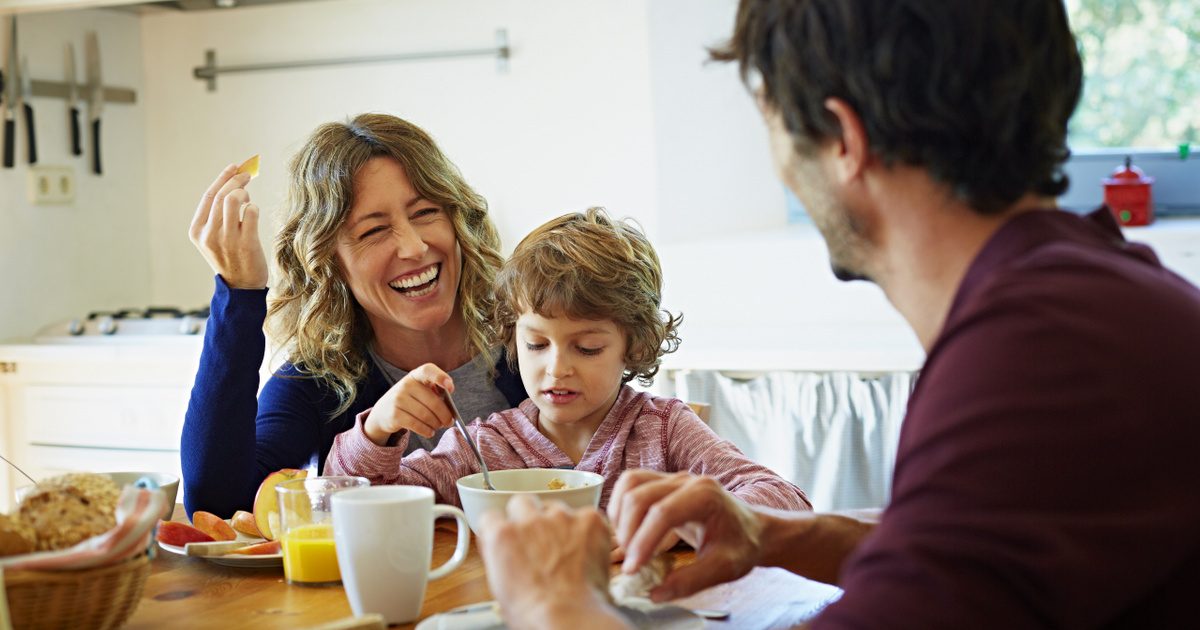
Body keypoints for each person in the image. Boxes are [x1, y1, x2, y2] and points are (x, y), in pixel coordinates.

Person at [476, 1, 1200, 628]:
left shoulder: (1035, 364)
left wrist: (556, 609)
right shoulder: (1091, 300)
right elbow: (960, 553)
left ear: (841, 138)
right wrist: (777, 532)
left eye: (770, 124)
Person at [325, 208, 810, 528]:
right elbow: (352, 507)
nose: (557, 368)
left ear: (632, 345)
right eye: (536, 345)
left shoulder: (662, 430)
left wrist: (690, 519)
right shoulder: (488, 446)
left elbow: (784, 501)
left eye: (588, 348)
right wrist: (381, 432)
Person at [181, 113, 526, 518]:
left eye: (425, 213)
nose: (414, 247)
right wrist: (239, 295)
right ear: (331, 263)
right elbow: (219, 504)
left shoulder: (536, 346)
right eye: (373, 231)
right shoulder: (319, 382)